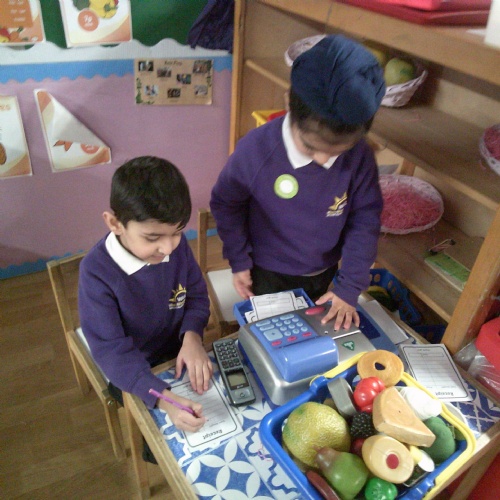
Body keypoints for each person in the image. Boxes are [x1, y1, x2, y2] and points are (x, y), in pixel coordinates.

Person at [210, 34, 386, 331]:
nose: (323, 159)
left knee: (313, 329)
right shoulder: (256, 150)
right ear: (288, 105)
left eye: (337, 151)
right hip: (267, 270)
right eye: (310, 147)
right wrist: (239, 260)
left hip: (324, 269)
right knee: (272, 332)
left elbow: (365, 220)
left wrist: (349, 286)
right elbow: (227, 204)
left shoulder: (360, 156)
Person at [78, 156, 212, 444]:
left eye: (177, 233)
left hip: (177, 349)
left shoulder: (175, 248)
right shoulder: (96, 272)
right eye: (152, 238)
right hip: (131, 368)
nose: (167, 248)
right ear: (115, 223)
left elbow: (197, 297)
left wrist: (192, 336)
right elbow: (111, 352)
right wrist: (164, 400)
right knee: (164, 442)